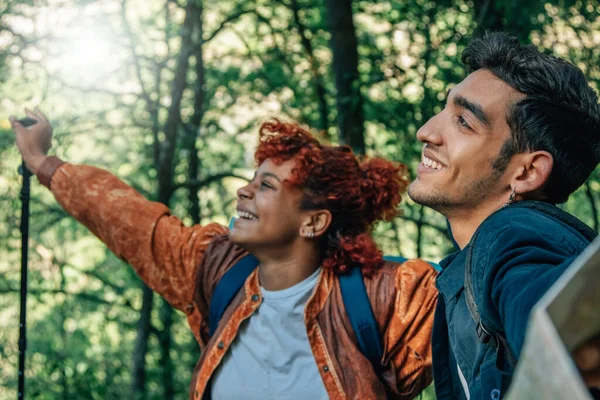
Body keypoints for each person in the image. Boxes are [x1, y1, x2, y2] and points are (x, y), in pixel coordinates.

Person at [11, 112, 438, 399]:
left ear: (314, 222)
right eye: (253, 179)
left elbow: (486, 305)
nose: (243, 190)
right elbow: (126, 218)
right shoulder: (216, 269)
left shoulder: (391, 298)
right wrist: (41, 160)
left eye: (267, 186)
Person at [407, 32, 600, 399]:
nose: (427, 132)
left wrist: (570, 338)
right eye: (445, 109)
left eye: (464, 121)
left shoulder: (510, 235)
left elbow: (552, 314)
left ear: (526, 173)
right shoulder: (468, 264)